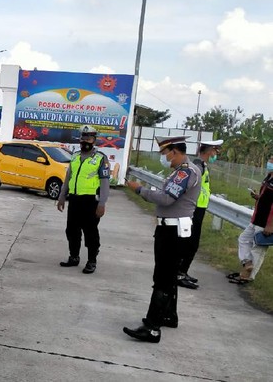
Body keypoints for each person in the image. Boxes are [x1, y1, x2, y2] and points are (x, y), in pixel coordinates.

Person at [123, 135, 201, 343]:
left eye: (165, 154)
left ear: (174, 152)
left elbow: (166, 198)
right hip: (171, 230)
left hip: (173, 233)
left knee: (163, 278)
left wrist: (139, 189)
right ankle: (168, 315)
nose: (164, 158)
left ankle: (152, 327)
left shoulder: (186, 172)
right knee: (168, 276)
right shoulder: (181, 171)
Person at [56, 125, 111, 274]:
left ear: (94, 140)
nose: (85, 141)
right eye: (83, 138)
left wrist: (102, 203)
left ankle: (91, 261)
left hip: (91, 202)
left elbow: (105, 182)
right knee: (72, 230)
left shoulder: (100, 158)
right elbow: (69, 177)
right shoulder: (75, 156)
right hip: (74, 200)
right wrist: (62, 196)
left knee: (90, 232)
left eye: (89, 138)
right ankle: (74, 257)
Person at [177, 139, 223, 289]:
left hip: (198, 208)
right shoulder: (198, 166)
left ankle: (183, 271)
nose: (216, 154)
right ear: (209, 151)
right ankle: (179, 273)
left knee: (191, 243)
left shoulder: (202, 165)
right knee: (190, 243)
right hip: (194, 209)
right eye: (215, 151)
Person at [229, 154, 273, 284]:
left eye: (272, 159)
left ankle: (248, 277)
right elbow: (268, 198)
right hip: (257, 217)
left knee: (258, 249)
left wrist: (271, 225)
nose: (269, 161)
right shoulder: (268, 177)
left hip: (266, 222)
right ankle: (247, 264)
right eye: (269, 159)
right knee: (243, 239)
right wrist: (258, 197)